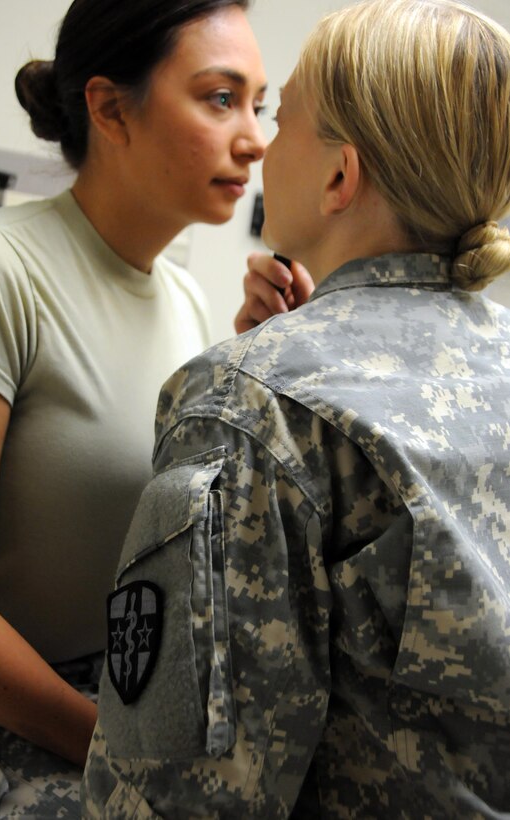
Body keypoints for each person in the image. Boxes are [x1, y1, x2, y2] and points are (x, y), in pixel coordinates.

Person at [82, 0, 510, 817]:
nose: (257, 144)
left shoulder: (251, 403)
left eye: (279, 118)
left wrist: (264, 384)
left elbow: (179, 796)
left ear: (338, 176)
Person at [0, 1, 267, 816]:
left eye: (259, 104)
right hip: (8, 736)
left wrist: (258, 362)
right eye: (218, 97)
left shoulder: (188, 303)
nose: (255, 137)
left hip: (125, 711)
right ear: (107, 108)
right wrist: (103, 743)